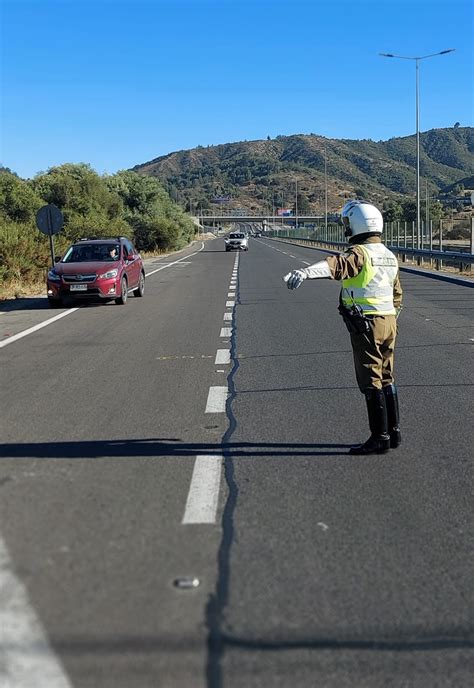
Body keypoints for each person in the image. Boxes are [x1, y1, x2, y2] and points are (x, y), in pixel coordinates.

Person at [284, 200, 403, 455]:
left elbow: (335, 266)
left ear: (358, 224)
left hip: (367, 324)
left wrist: (305, 273)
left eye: (347, 223)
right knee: (387, 376)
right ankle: (394, 433)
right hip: (389, 321)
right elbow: (397, 294)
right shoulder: (388, 255)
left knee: (370, 378)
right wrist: (390, 317)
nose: (346, 228)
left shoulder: (360, 253)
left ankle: (379, 437)